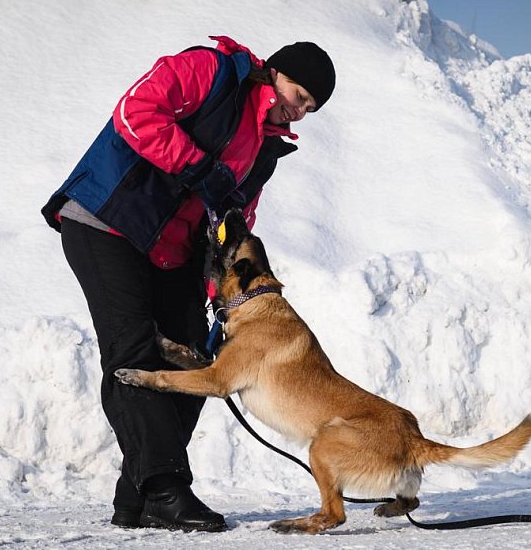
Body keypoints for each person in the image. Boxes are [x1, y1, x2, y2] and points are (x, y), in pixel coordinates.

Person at [40, 36, 335, 532]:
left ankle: (136, 496)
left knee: (197, 358)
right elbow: (136, 113)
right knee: (132, 349)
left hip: (173, 250)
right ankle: (165, 489)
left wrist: (219, 276)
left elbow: (235, 217)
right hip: (107, 221)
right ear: (277, 73)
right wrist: (199, 167)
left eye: (310, 108)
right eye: (300, 95)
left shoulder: (264, 147)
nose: (300, 111)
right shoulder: (212, 72)